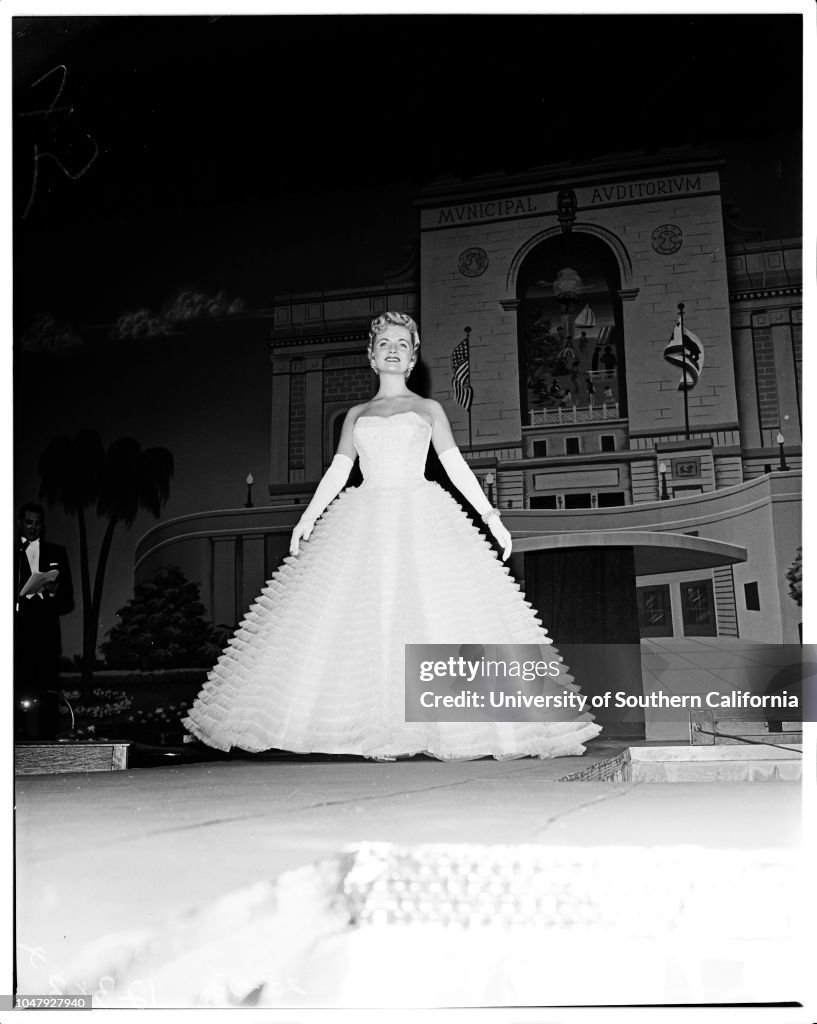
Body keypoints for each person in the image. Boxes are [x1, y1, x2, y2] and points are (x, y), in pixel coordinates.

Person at [182, 313, 600, 760]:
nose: (394, 349)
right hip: (363, 518)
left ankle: (456, 725)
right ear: (371, 354)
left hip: (422, 514)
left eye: (403, 343)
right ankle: (364, 728)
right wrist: (308, 518)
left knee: (438, 613)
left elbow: (455, 466)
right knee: (355, 620)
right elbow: (340, 469)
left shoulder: (428, 409)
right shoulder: (357, 415)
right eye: (384, 343)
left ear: (414, 355)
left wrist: (490, 516)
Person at [14, 502, 74, 739]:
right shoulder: (11, 554)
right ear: (20, 523)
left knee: (48, 689)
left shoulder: (56, 553)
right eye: (29, 522)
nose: (33, 527)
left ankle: (49, 740)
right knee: (19, 688)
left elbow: (68, 599)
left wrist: (52, 590)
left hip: (47, 633)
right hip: (18, 633)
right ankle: (17, 739)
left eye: (38, 523)